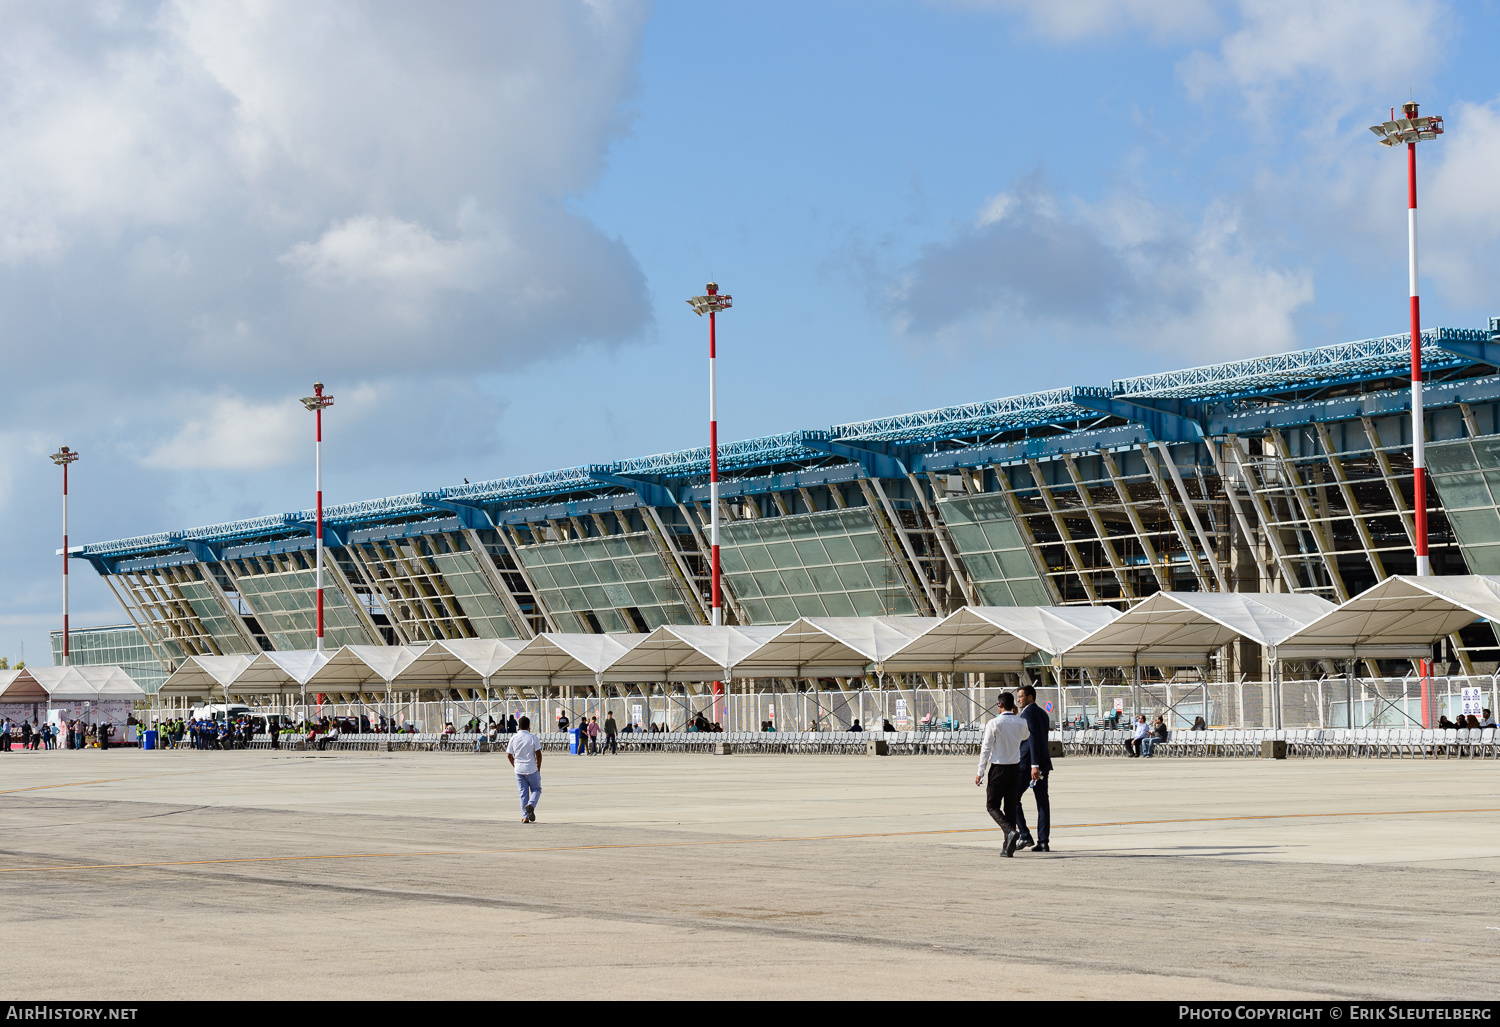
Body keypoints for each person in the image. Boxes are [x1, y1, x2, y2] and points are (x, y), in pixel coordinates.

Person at [974, 691, 1030, 857]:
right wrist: (1016, 717)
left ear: (1000, 705)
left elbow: (986, 748)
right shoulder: (1021, 722)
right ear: (1013, 706)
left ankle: (1010, 831)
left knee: (992, 805)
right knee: (1010, 807)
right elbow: (1026, 736)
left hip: (998, 768)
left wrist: (980, 771)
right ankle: (1008, 847)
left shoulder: (994, 723)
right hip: (1015, 768)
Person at [1013, 685, 1053, 853]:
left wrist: (1033, 765)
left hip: (1030, 764)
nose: (1018, 700)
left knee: (1012, 799)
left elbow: (1033, 739)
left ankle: (1024, 834)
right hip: (1043, 763)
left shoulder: (1028, 713)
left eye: (1021, 697)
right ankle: (1043, 841)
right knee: (1042, 802)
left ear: (1030, 697)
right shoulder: (1043, 713)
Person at [507, 715, 544, 824]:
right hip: (531, 768)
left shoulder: (513, 738)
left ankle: (525, 817)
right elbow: (539, 754)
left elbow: (509, 755)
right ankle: (531, 805)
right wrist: (538, 768)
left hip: (518, 769)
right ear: (529, 726)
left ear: (518, 726)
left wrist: (515, 765)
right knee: (537, 789)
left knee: (523, 793)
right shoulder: (533, 738)